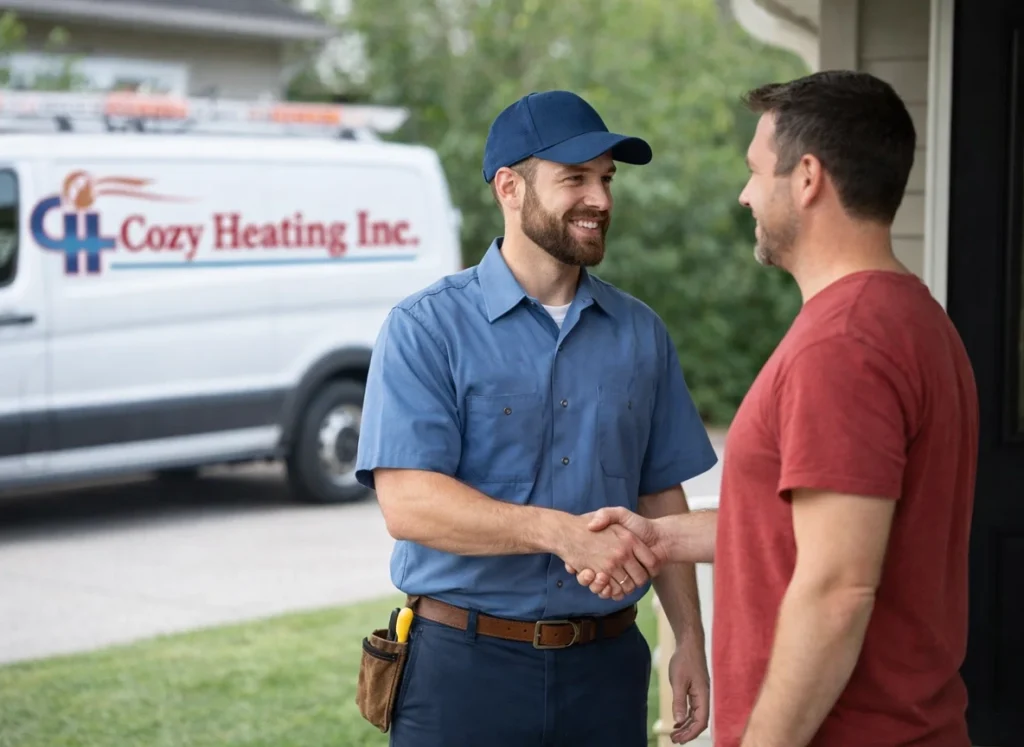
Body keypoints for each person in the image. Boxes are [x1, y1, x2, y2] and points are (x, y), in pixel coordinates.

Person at [570, 70, 979, 747]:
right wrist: (660, 537)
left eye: (757, 171)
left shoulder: (844, 344)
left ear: (808, 177)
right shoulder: (913, 317)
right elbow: (815, 527)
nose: (746, 193)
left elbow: (837, 588)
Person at [354, 89, 719, 747]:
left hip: (607, 668)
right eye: (574, 178)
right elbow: (409, 504)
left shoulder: (641, 333)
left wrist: (686, 638)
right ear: (510, 188)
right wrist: (559, 533)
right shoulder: (425, 329)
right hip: (462, 671)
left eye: (606, 179)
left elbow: (661, 494)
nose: (601, 199)